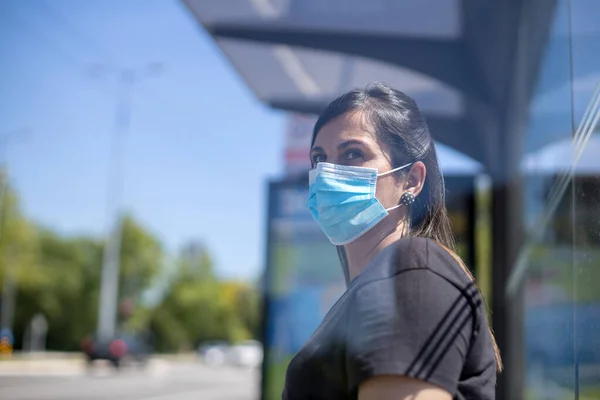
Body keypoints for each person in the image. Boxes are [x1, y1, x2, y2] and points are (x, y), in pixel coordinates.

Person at [282, 82, 501, 400]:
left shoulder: (412, 266)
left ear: (411, 180)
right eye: (319, 159)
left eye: (353, 153)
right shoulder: (376, 285)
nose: (327, 173)